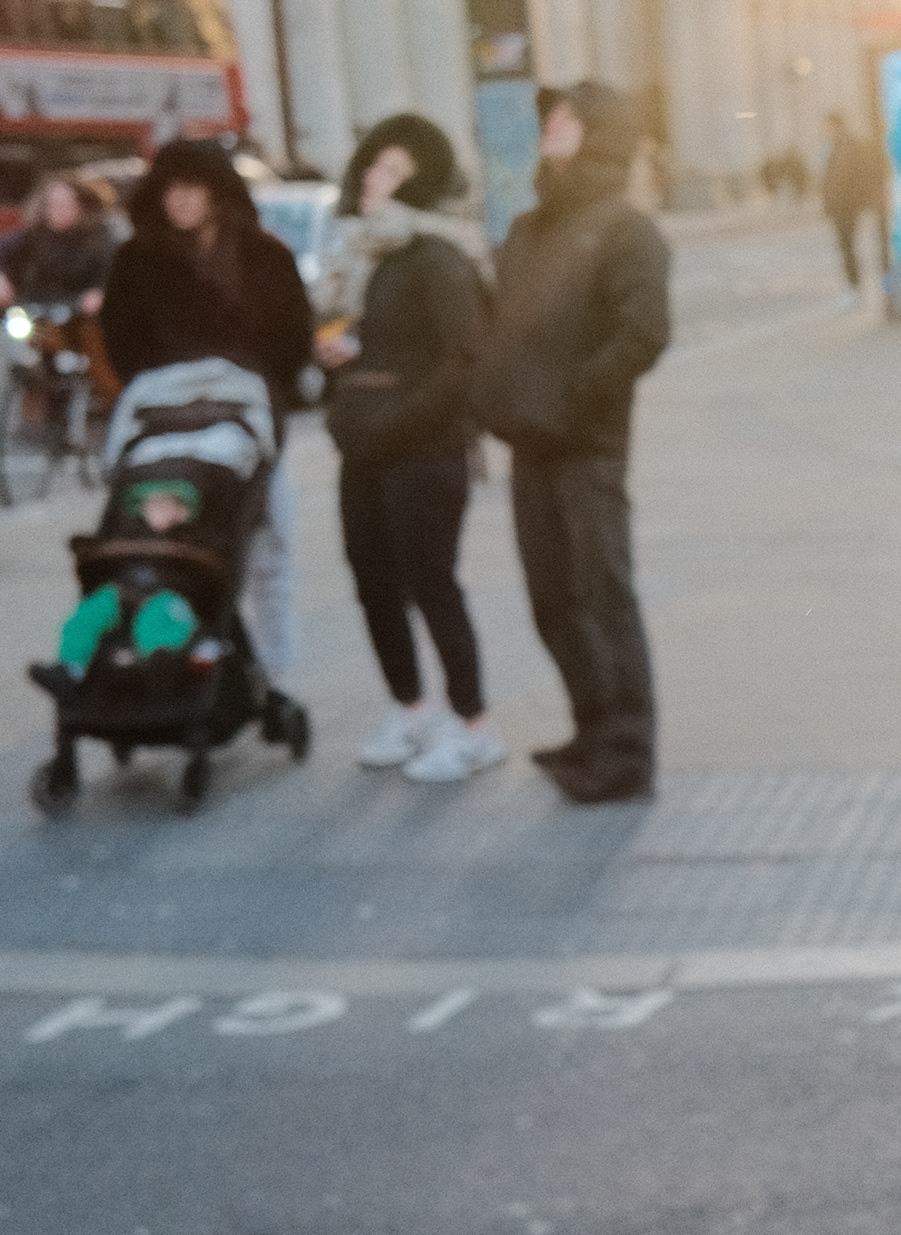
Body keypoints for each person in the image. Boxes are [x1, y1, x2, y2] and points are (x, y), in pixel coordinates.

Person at [475, 82, 670, 805]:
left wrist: (574, 393)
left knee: (601, 593)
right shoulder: (529, 230)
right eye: (549, 121)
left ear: (596, 134)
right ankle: (591, 727)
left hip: (587, 445)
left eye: (564, 121)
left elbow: (643, 333)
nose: (549, 130)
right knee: (551, 598)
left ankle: (627, 752)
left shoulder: (627, 231)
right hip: (530, 441)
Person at [317, 114, 501, 784]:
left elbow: (465, 358)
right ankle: (410, 709)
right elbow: (365, 346)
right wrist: (337, 360)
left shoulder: (438, 256)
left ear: (419, 185)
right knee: (372, 583)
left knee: (431, 582)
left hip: (424, 448)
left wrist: (401, 417)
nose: (374, 178)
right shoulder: (362, 258)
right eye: (371, 165)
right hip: (363, 444)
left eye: (392, 171)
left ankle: (475, 726)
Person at [100, 136, 317, 671]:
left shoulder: (263, 256)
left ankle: (275, 670)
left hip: (249, 418)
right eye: (170, 190)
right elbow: (120, 339)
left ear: (217, 193)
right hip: (165, 424)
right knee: (166, 544)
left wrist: (265, 387)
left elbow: (292, 336)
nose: (179, 201)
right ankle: (178, 659)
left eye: (191, 189)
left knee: (270, 549)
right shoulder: (136, 260)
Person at [0, 172, 114, 316]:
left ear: (80, 205)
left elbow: (114, 270)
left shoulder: (99, 236)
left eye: (64, 204)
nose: (57, 210)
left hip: (82, 311)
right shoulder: (35, 234)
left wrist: (101, 292)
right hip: (39, 311)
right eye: (51, 204)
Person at [819, 110, 882, 293]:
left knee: (848, 246)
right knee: (846, 246)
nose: (826, 131)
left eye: (828, 126)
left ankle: (855, 286)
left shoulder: (846, 147)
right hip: (842, 207)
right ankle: (854, 284)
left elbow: (843, 180)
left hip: (846, 207)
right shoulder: (836, 147)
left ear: (837, 126)